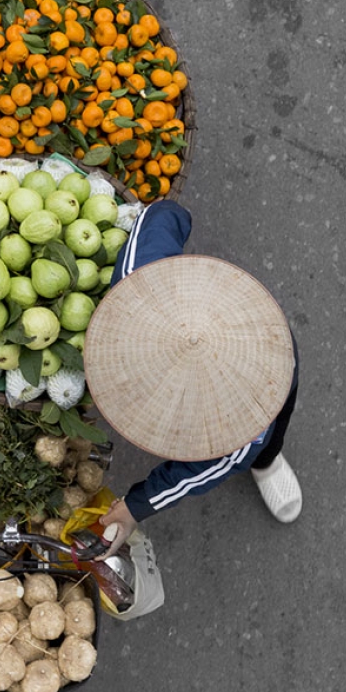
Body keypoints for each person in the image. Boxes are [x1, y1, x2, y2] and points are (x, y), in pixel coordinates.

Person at [82, 199, 302, 558]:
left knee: (272, 428)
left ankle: (267, 463)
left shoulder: (249, 424)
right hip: (243, 323)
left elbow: (201, 470)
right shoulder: (135, 283)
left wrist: (137, 507)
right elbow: (164, 215)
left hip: (275, 356)